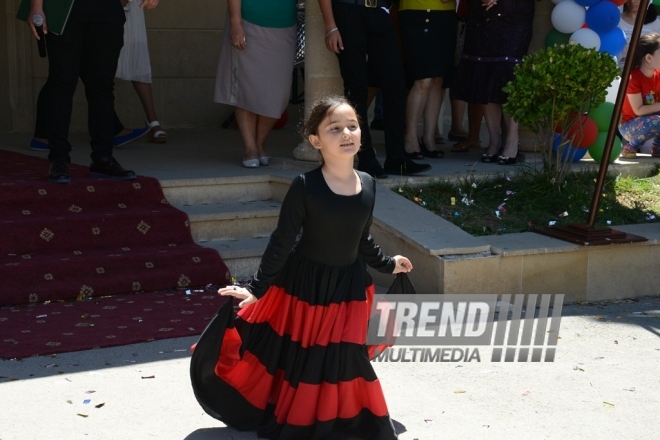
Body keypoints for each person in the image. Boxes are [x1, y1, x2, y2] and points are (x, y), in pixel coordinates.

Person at [190, 96, 411, 439]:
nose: (346, 133)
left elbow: (361, 237)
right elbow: (282, 241)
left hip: (349, 287)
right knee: (307, 358)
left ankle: (352, 417)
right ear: (316, 141)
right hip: (307, 287)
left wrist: (388, 263)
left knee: (346, 356)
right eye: (334, 128)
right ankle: (310, 418)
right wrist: (257, 289)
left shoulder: (368, 183)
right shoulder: (305, 187)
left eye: (352, 125)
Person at [26, 0, 159, 183]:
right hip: (65, 7)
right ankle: (58, 159)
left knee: (102, 85)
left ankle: (103, 157)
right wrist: (36, 5)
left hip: (106, 7)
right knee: (62, 82)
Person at [319, 0, 431, 178]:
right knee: (356, 87)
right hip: (348, 10)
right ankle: (366, 156)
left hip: (378, 9)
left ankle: (396, 157)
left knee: (395, 84)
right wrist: (330, 26)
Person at [214, 0, 297, 168]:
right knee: (246, 89)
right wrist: (236, 24)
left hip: (285, 25)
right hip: (248, 22)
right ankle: (251, 148)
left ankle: (260, 143)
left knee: (277, 94)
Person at [451, 0, 534, 165]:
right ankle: (495, 141)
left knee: (508, 73)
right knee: (485, 72)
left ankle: (511, 140)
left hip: (514, 13)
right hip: (481, 14)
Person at [397, 0, 456, 159]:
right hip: (416, 12)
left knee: (437, 80)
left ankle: (429, 138)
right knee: (423, 80)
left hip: (446, 14)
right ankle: (410, 137)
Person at [116, 0, 167, 143]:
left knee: (138, 60)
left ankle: (152, 121)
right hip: (101, 8)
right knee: (102, 66)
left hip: (132, 6)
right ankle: (109, 127)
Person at [619, 33, 660, 159]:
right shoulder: (633, 78)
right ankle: (630, 147)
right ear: (648, 58)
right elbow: (638, 110)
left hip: (652, 119)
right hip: (629, 126)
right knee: (657, 120)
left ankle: (657, 148)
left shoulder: (658, 75)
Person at [617, 0, 660, 71]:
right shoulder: (617, 21)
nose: (632, 1)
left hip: (646, 74)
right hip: (620, 72)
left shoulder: (656, 24)